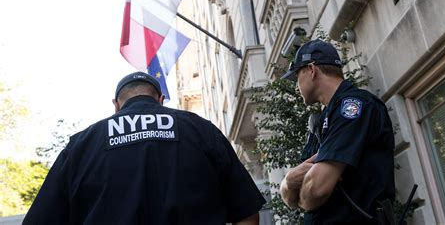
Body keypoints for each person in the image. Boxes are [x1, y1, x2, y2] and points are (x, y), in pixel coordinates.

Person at [24, 71, 266, 225]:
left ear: (116, 106)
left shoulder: (81, 145)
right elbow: (246, 213)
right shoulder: (201, 130)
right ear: (160, 99)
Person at [279, 39, 395, 224]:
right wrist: (289, 180)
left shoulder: (354, 107)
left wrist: (303, 183)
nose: (296, 86)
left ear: (311, 70)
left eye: (297, 76)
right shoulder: (320, 121)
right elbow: (290, 196)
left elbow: (316, 189)